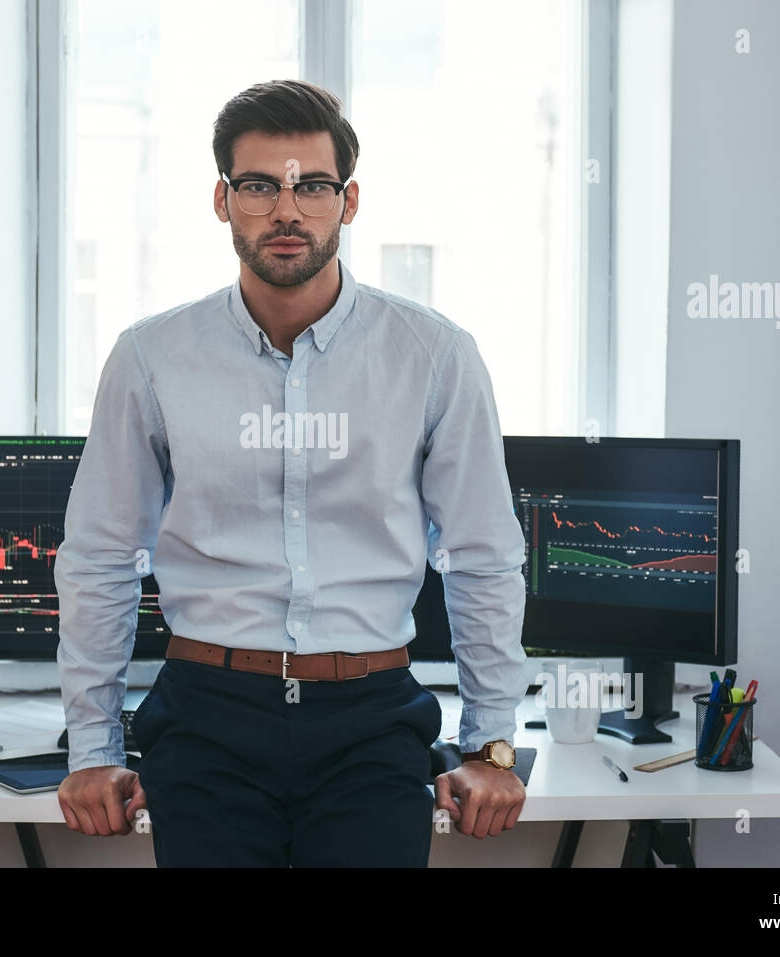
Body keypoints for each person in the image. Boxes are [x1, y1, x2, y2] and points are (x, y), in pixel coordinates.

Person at [55, 79, 528, 867]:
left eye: (312, 185)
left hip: (370, 719)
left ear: (347, 201)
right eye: (259, 186)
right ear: (222, 200)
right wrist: (92, 746)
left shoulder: (435, 355)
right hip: (206, 718)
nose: (287, 209)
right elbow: (101, 555)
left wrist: (490, 743)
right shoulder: (151, 358)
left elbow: (483, 554)